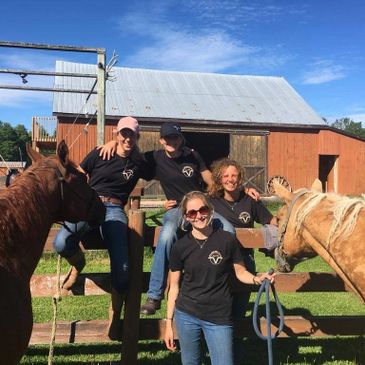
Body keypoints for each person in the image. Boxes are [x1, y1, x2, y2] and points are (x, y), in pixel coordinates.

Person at [99, 122, 259, 316]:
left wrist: (242, 189)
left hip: (202, 207)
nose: (171, 141)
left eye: (175, 137)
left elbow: (211, 181)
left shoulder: (192, 155)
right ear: (161, 140)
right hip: (178, 210)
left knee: (228, 230)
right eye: (167, 138)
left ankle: (228, 278)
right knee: (166, 236)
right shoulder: (155, 158)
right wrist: (111, 143)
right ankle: (154, 295)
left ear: (180, 139)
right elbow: (129, 152)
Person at [53, 116, 154, 340]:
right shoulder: (100, 153)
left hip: (115, 209)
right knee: (61, 243)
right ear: (116, 135)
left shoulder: (139, 162)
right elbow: (77, 175)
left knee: (123, 269)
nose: (127, 138)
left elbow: (167, 166)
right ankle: (78, 264)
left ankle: (114, 314)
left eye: (132, 134)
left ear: (138, 137)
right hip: (90, 204)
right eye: (123, 133)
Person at [164, 191, 275, 365]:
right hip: (186, 315)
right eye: (192, 213)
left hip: (219, 315)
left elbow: (240, 272)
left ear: (210, 210)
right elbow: (174, 287)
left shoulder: (227, 240)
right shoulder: (180, 246)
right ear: (186, 217)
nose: (199, 216)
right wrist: (169, 323)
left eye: (203, 210)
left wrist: (257, 279)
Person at [208, 158, 278, 364]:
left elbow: (271, 220)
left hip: (245, 263)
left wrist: (281, 227)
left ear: (240, 179)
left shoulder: (250, 201)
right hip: (219, 264)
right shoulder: (211, 201)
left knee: (238, 311)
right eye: (226, 176)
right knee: (220, 311)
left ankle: (234, 355)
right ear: (219, 180)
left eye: (234, 176)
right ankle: (218, 353)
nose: (230, 180)